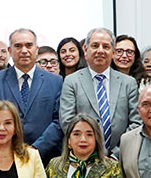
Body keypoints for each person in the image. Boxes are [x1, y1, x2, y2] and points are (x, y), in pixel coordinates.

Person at [0, 28, 63, 161]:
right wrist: (9, 148)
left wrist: (36, 149)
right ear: (9, 51)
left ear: (37, 49)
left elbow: (58, 121)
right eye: (18, 46)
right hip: (5, 157)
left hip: (45, 157)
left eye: (29, 45)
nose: (24, 50)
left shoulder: (55, 81)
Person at [59, 27, 141, 158]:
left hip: (121, 158)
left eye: (106, 46)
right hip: (83, 158)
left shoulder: (128, 83)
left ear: (113, 52)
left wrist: (117, 153)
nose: (100, 50)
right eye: (95, 45)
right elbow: (67, 121)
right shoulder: (71, 81)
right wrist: (90, 152)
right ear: (85, 50)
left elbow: (137, 122)